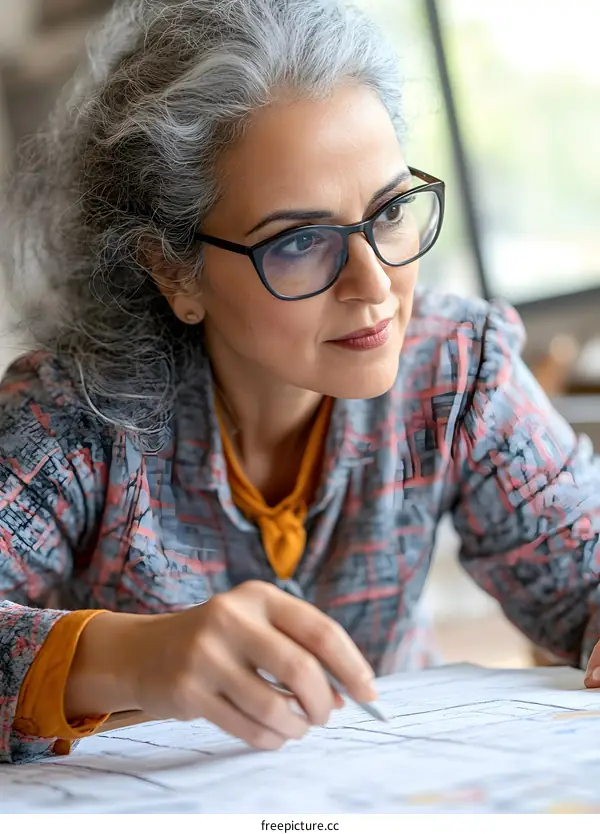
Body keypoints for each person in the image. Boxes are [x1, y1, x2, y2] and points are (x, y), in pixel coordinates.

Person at [1, 0, 600, 767]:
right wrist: (129, 657)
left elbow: (585, 576)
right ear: (173, 269)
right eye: (300, 241)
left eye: (389, 212)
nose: (374, 282)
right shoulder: (76, 417)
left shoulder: (454, 371)